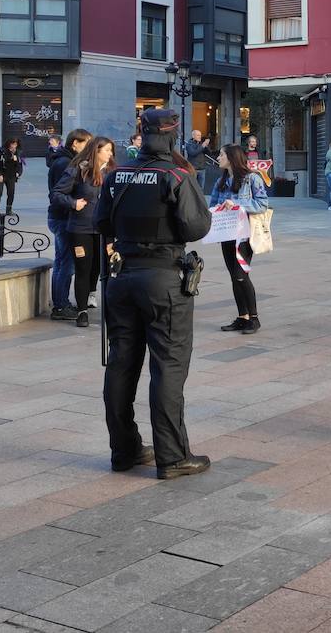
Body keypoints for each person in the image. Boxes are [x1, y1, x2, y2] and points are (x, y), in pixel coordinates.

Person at [96, 108, 212, 480]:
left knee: (121, 364)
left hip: (123, 275)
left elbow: (100, 223)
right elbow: (195, 227)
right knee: (168, 367)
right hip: (163, 278)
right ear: (173, 137)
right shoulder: (176, 175)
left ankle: (124, 450)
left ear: (141, 135)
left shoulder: (117, 175)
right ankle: (173, 456)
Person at [52, 136, 115, 328]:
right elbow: (56, 193)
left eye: (111, 151)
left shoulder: (113, 172)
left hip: (105, 230)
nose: (110, 154)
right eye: (107, 150)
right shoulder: (79, 170)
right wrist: (73, 203)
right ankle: (82, 311)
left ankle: (110, 311)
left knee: (104, 270)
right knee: (83, 269)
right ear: (96, 151)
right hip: (81, 228)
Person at [210, 144, 270, 335]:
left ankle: (254, 318)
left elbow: (262, 204)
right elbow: (212, 205)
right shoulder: (220, 181)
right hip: (226, 234)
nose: (218, 158)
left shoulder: (252, 178)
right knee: (233, 275)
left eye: (221, 155)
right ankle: (242, 316)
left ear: (232, 158)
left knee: (240, 273)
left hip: (244, 235)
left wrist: (235, 204)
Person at [47, 128, 91, 321]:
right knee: (66, 263)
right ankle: (61, 305)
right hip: (63, 217)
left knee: (62, 262)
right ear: (75, 143)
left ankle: (60, 303)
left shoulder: (64, 160)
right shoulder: (65, 163)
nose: (89, 147)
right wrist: (74, 203)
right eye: (86, 143)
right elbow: (57, 194)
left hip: (60, 216)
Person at [0, 137, 24, 214]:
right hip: (1, 174)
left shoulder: (18, 152)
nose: (13, 146)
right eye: (12, 144)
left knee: (11, 192)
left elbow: (20, 164)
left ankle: (9, 210)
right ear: (8, 143)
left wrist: (18, 173)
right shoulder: (1, 150)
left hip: (11, 175)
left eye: (15, 144)